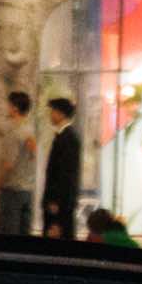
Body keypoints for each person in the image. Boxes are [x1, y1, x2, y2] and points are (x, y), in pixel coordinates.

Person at [40, 97, 81, 241]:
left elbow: (65, 174)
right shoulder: (63, 136)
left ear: (61, 114)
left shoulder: (68, 138)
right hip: (59, 202)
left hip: (60, 203)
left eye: (53, 111)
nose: (50, 115)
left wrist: (55, 201)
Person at [0, 92, 38, 235]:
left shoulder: (14, 133)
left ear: (14, 108)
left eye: (8, 105)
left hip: (12, 191)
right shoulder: (31, 131)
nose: (6, 108)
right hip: (27, 192)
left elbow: (8, 164)